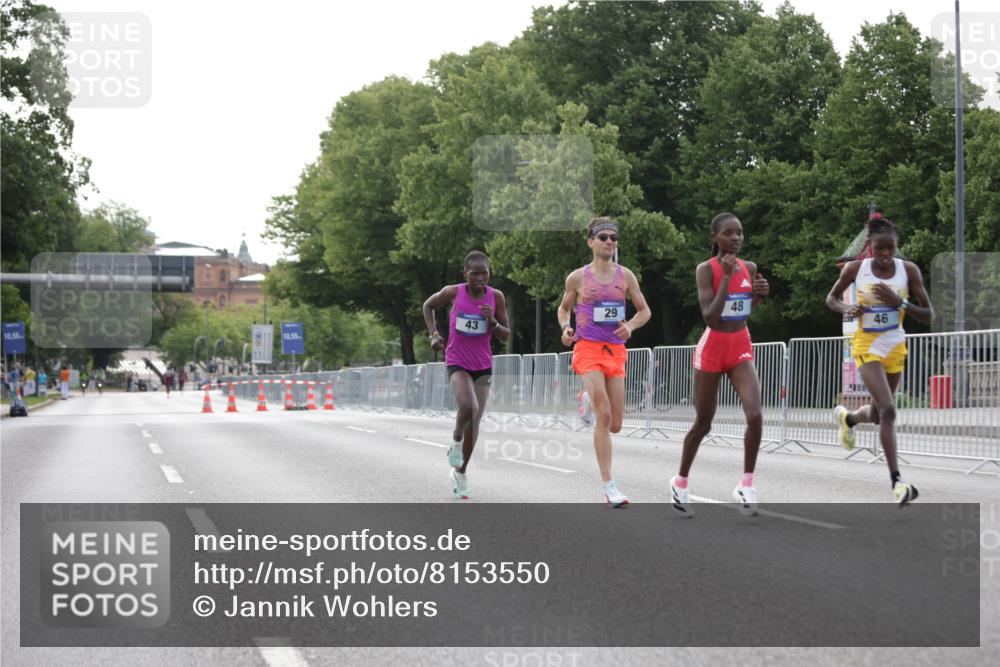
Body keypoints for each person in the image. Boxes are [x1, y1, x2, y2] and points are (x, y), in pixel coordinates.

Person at [826, 215, 934, 507]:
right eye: (879, 249)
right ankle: (897, 482)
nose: (885, 255)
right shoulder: (855, 269)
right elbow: (831, 299)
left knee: (877, 415)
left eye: (890, 249)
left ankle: (848, 418)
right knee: (888, 409)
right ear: (869, 247)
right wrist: (847, 308)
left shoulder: (908, 270)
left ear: (896, 246)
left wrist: (898, 302)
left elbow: (929, 314)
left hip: (895, 346)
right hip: (866, 346)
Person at [670, 213, 770, 518]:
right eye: (729, 233)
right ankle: (680, 481)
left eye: (740, 233)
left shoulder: (749, 267)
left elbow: (745, 311)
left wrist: (759, 296)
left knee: (755, 414)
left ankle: (746, 484)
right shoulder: (706, 270)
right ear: (715, 237)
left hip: (739, 345)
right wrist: (726, 277)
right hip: (712, 349)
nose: (736, 238)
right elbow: (711, 317)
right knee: (704, 423)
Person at [557, 216, 652, 507]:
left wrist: (631, 327)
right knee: (605, 414)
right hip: (587, 348)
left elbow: (644, 310)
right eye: (603, 237)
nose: (610, 241)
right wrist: (565, 328)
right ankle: (609, 487)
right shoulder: (577, 278)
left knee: (616, 424)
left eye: (613, 237)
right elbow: (564, 309)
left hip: (616, 351)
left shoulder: (626, 277)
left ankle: (585, 399)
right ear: (591, 242)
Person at [423, 250, 510, 499]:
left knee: (476, 420)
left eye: (485, 273)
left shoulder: (496, 297)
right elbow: (428, 305)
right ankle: (456, 439)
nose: (480, 278)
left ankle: (461, 472)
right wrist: (433, 334)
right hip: (457, 361)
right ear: (465, 274)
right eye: (475, 274)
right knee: (468, 406)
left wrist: (492, 322)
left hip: (483, 364)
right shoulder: (454, 292)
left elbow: (505, 335)